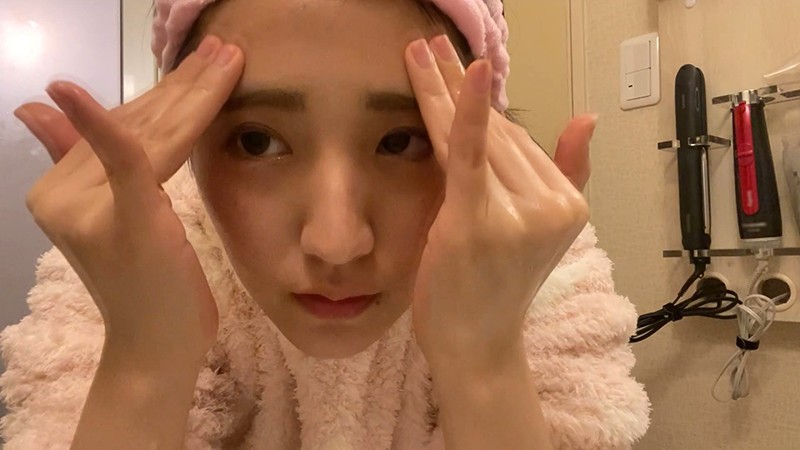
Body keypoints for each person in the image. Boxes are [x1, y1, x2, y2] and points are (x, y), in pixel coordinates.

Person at [1, 0, 650, 448]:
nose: (337, 242)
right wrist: (143, 364)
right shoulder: (126, 260)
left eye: (400, 141)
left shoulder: (530, 265)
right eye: (256, 141)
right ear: (187, 142)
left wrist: (486, 366)